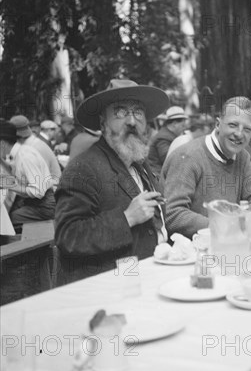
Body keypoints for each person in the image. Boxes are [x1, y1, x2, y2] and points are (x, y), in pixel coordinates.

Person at [55, 79, 169, 285]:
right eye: (120, 112)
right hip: (113, 289)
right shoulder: (83, 168)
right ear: (102, 123)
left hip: (154, 276)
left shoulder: (138, 162)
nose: (132, 121)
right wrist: (126, 218)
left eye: (138, 112)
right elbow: (67, 236)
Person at [161, 97, 251, 238]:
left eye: (247, 129)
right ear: (218, 124)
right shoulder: (188, 156)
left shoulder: (241, 156)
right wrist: (225, 225)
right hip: (190, 251)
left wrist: (236, 222)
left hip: (228, 244)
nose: (239, 134)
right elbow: (172, 215)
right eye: (233, 125)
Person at [0, 119, 55, 228]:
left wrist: (11, 186)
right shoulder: (21, 152)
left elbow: (38, 191)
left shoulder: (25, 156)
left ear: (2, 143)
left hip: (45, 206)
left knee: (10, 218)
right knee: (10, 210)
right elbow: (17, 173)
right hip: (38, 202)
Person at [10, 115, 61, 189]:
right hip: (45, 188)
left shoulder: (33, 148)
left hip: (50, 191)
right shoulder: (31, 143)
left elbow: (37, 181)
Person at [147, 106, 189, 176]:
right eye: (182, 125)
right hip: (158, 176)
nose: (184, 128)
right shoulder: (163, 138)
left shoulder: (168, 135)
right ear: (175, 123)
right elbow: (170, 161)